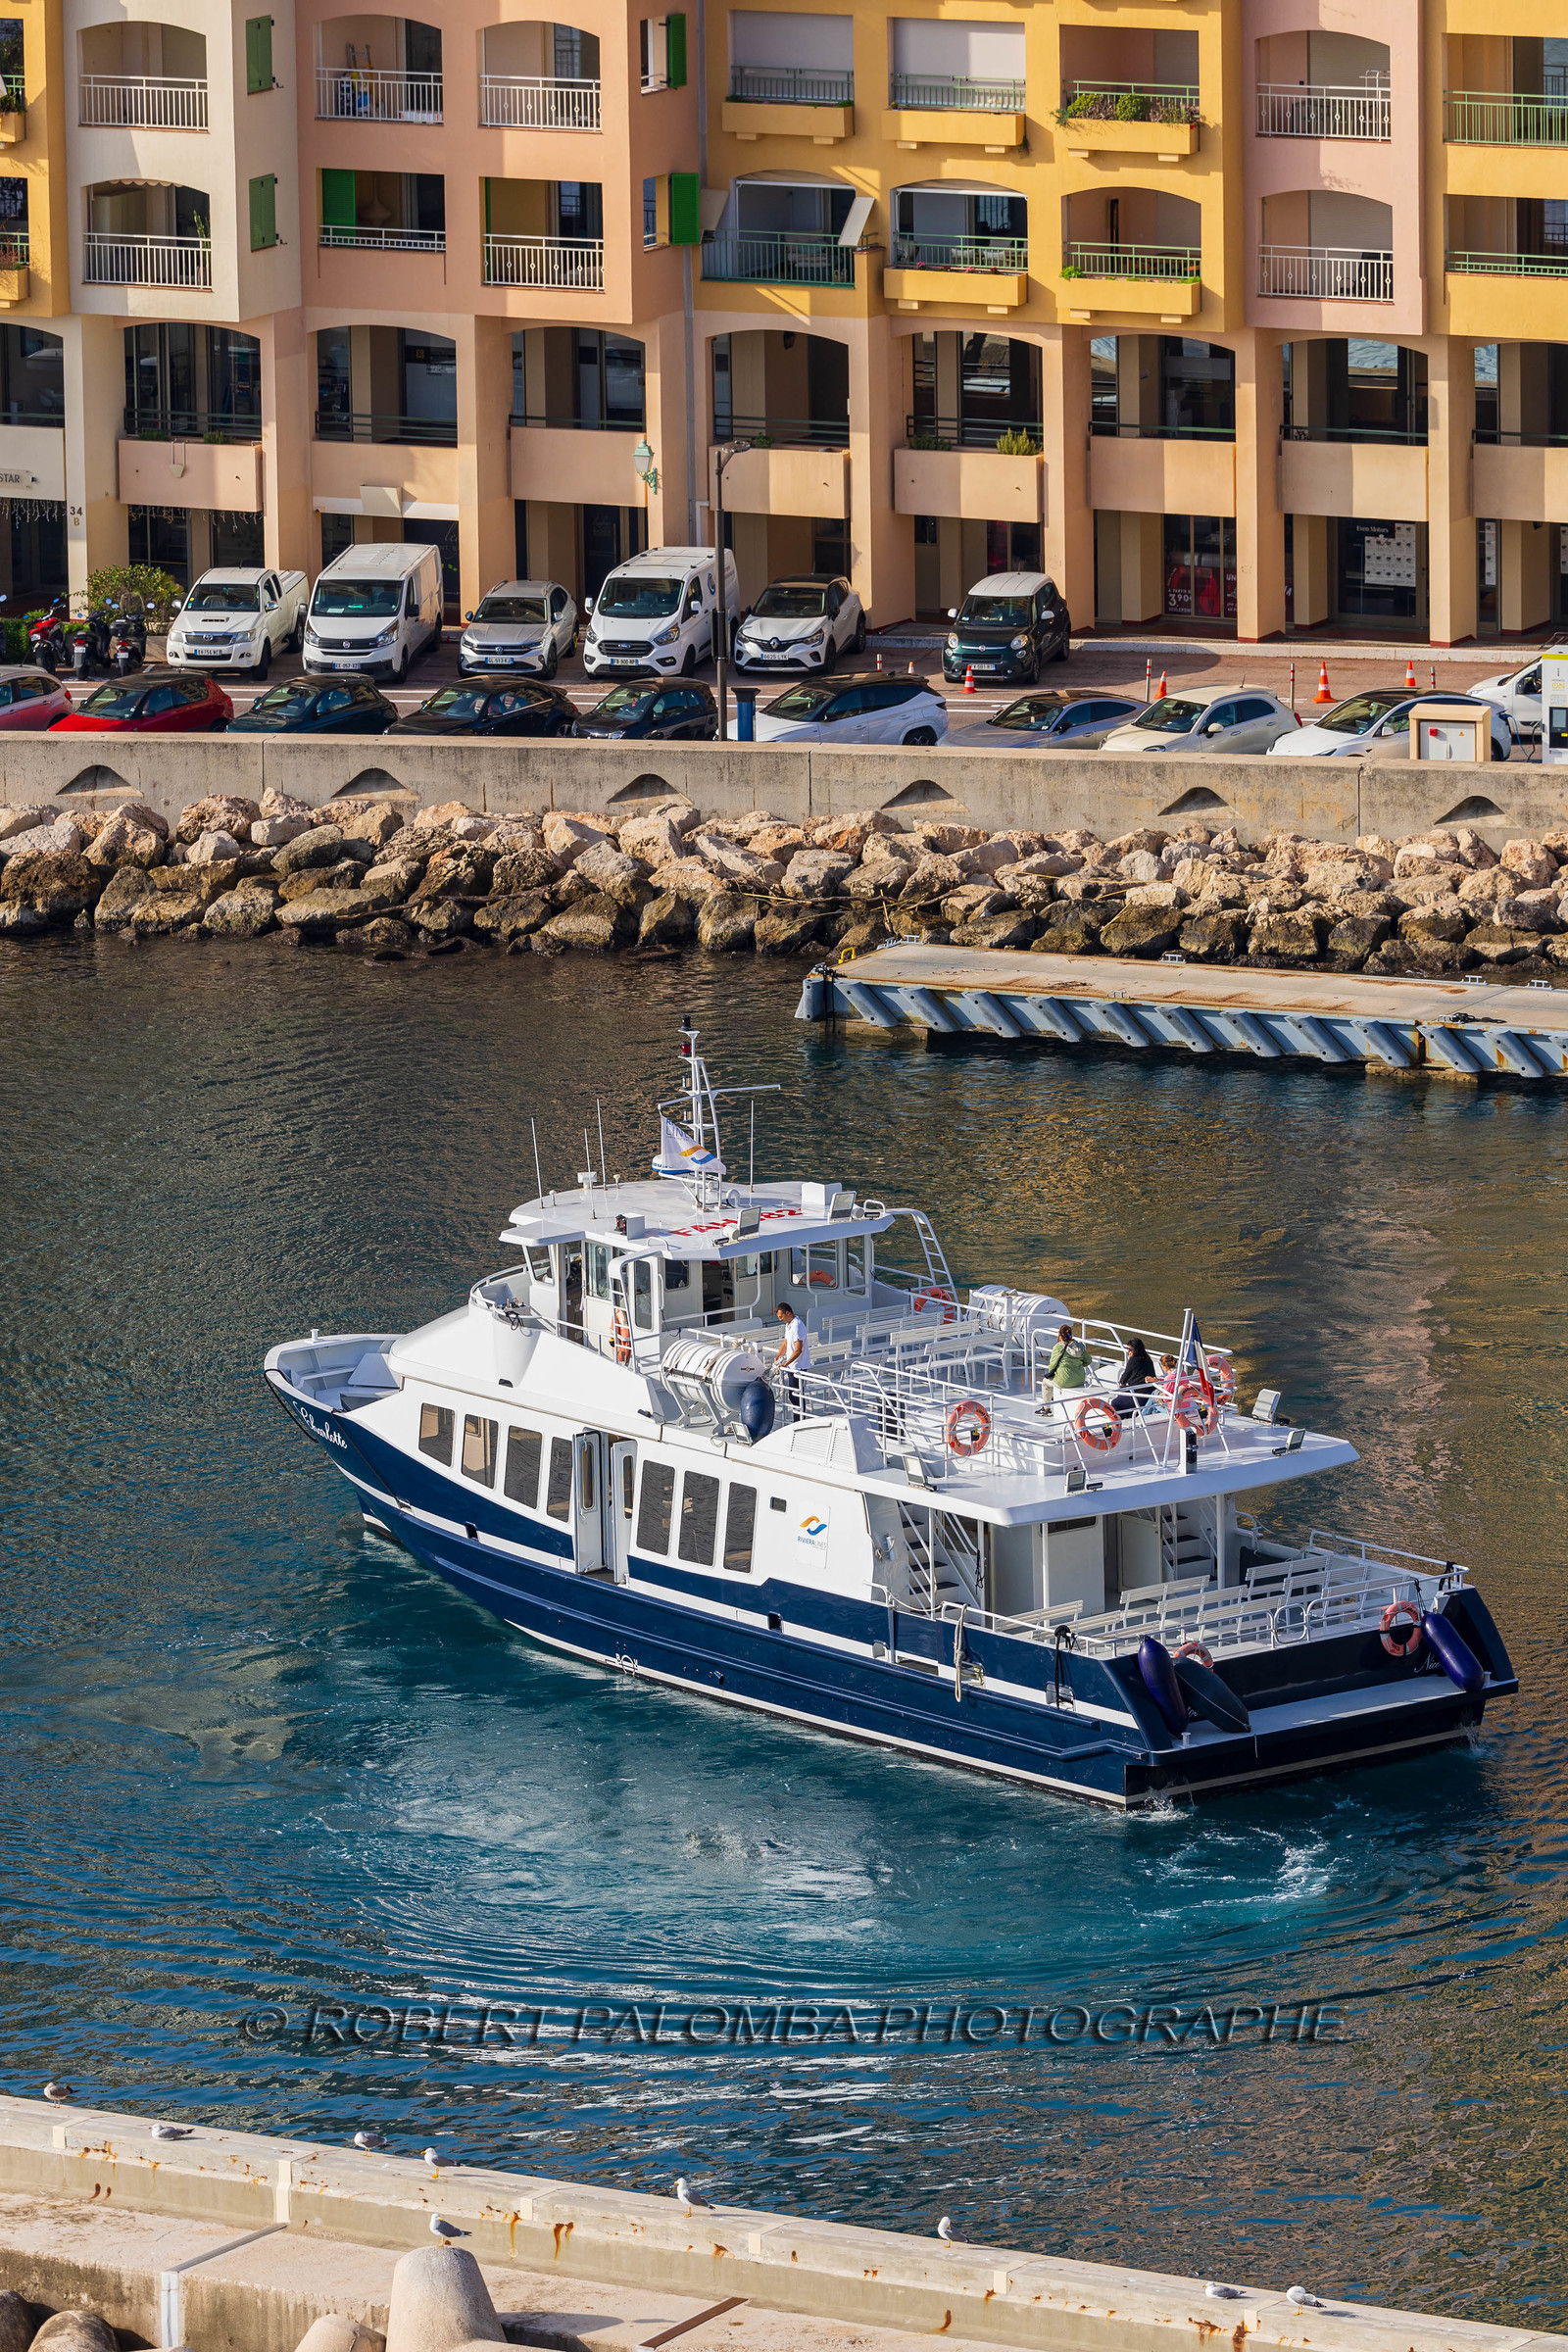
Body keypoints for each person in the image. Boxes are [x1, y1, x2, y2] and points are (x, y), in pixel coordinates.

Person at [772, 1295, 809, 1414]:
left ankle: (800, 1420)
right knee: (793, 1396)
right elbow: (786, 1342)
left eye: (781, 1316)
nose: (780, 1319)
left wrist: (786, 1363)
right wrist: (779, 1356)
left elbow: (798, 1349)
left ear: (787, 1313)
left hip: (798, 1367)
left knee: (797, 1396)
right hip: (792, 1366)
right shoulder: (789, 1325)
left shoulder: (797, 1326)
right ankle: (797, 1419)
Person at [1044, 1323, 1089, 1404]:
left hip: (1064, 1381)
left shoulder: (1058, 1347)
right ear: (1071, 1335)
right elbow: (1088, 1361)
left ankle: (1046, 1408)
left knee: (1045, 1382)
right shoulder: (1079, 1347)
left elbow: (1052, 1365)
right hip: (1080, 1379)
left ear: (1060, 1336)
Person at [1114, 1335, 1157, 1418]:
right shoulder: (1148, 1359)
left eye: (1130, 1349)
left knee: (1115, 1402)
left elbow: (1124, 1377)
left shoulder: (1133, 1360)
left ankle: (1117, 1426)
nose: (1128, 1351)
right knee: (1123, 1396)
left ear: (1136, 1350)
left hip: (1139, 1396)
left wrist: (1121, 1385)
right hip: (1149, 1395)